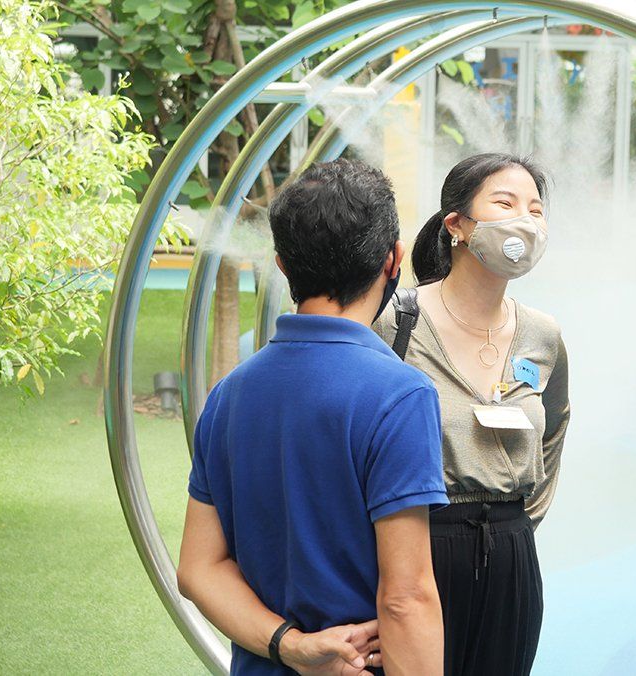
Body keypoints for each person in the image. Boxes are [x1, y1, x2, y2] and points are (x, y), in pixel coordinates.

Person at [177, 159, 447, 675]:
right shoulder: (400, 394)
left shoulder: (229, 395)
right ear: (394, 259)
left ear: (281, 264)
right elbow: (405, 598)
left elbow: (198, 568)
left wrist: (292, 645)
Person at [372, 152, 571, 676]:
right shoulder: (396, 321)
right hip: (415, 543)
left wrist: (524, 518)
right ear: (456, 224)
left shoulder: (541, 334)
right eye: (505, 204)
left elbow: (555, 423)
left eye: (536, 209)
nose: (525, 221)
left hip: (511, 554)